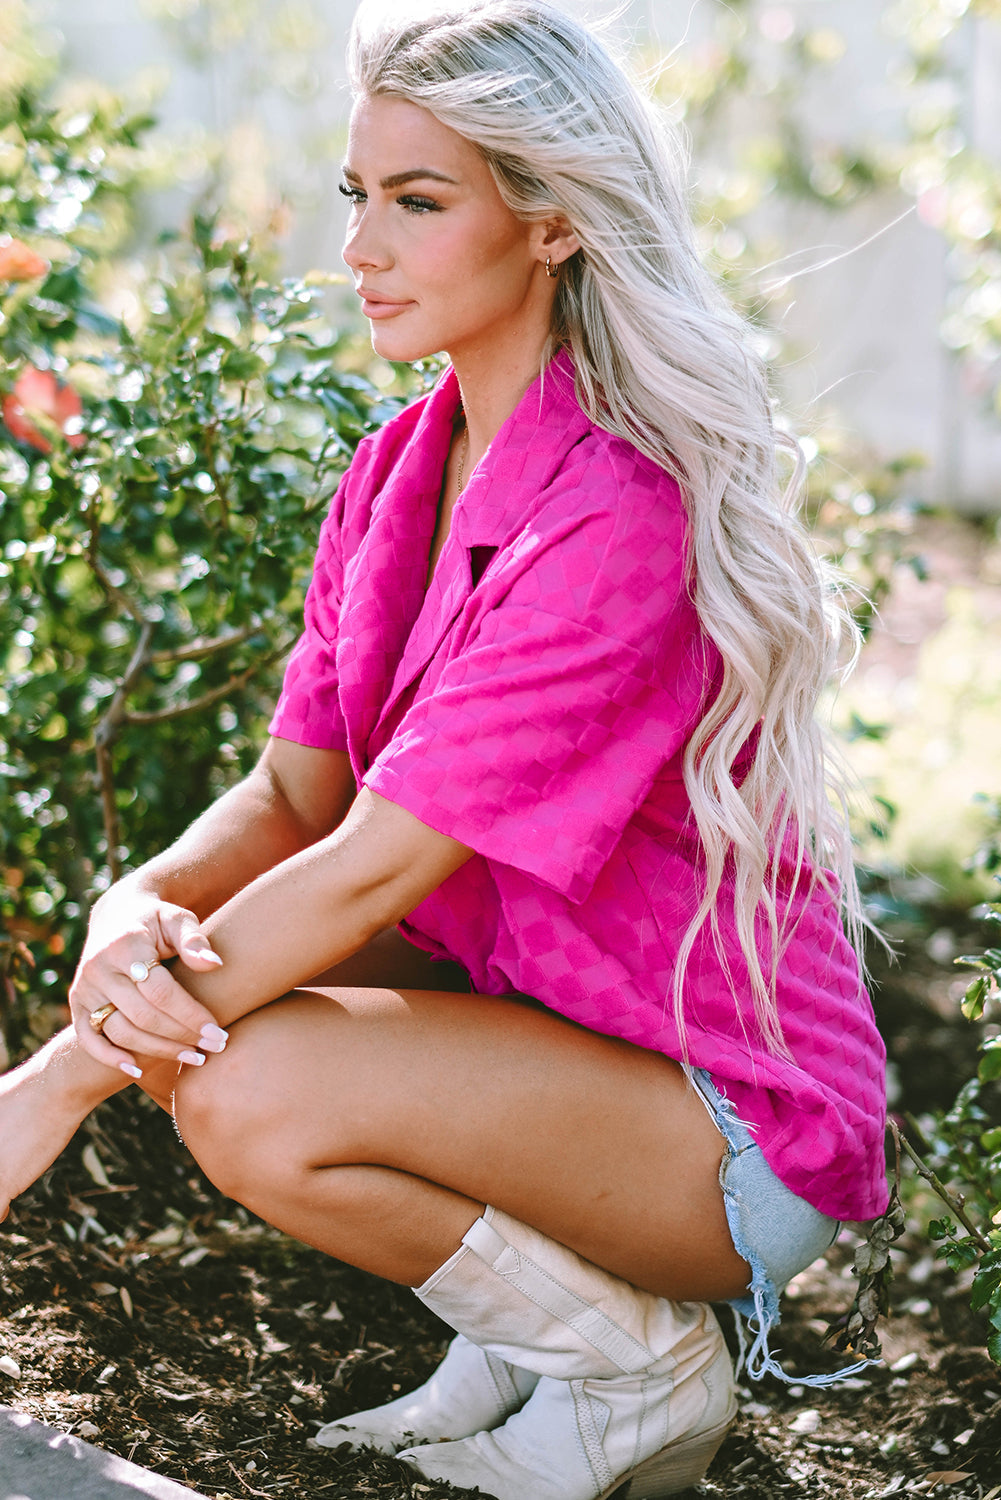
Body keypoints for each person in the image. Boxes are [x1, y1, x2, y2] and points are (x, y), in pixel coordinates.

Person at [0, 2, 888, 1496]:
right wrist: (128, 911)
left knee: (244, 1080)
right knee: (210, 998)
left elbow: (369, 868)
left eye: (419, 202)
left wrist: (62, 1077)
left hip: (720, 1120)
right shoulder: (397, 472)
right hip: (544, 1025)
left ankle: (629, 1364)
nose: (360, 247)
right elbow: (293, 793)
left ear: (551, 222)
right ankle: (540, 1330)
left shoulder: (621, 510)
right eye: (358, 194)